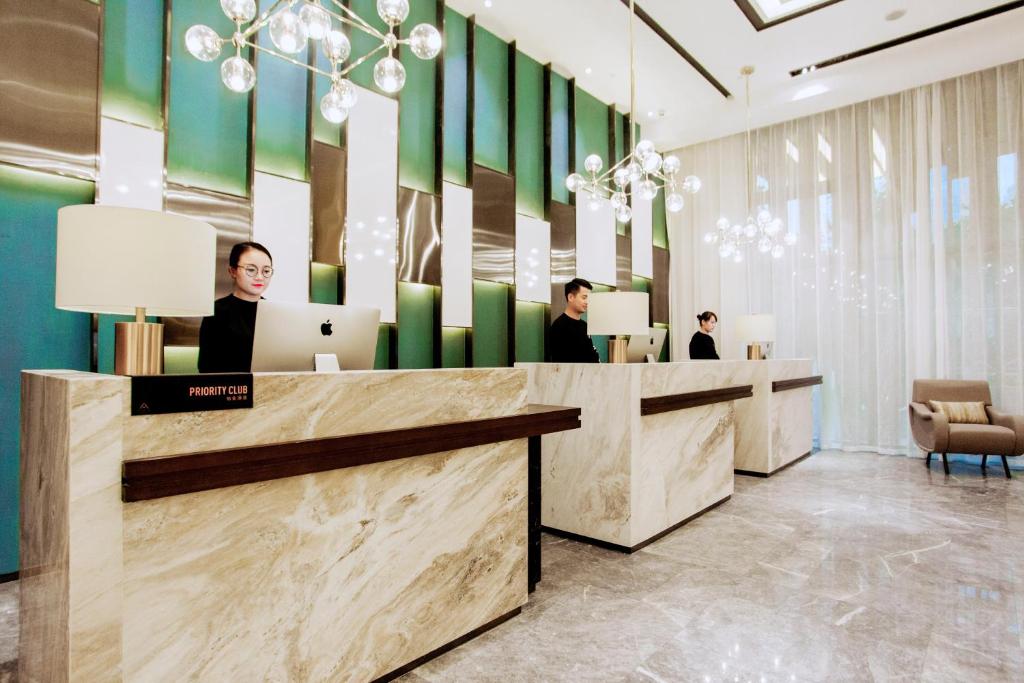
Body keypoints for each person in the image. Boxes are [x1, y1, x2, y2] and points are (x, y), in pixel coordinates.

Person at [198, 241, 274, 373]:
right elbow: (206, 368)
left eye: (266, 271)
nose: (260, 277)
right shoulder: (217, 311)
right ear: (232, 271)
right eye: (251, 270)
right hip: (231, 390)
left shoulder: (274, 312)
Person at [548, 278, 600, 363]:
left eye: (589, 298)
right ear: (570, 297)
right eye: (584, 298)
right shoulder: (559, 327)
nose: (587, 302)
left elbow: (592, 354)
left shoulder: (584, 325)